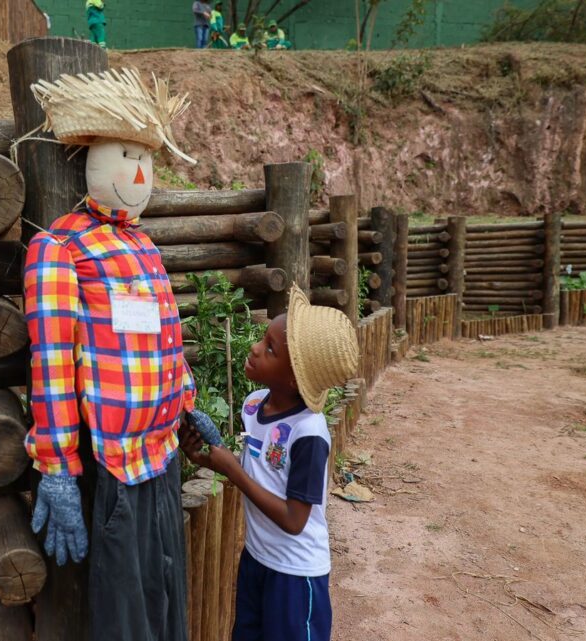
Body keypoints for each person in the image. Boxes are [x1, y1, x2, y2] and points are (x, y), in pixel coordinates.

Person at [24, 68, 198, 641]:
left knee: (168, 595)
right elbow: (49, 364)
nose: (142, 174)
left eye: (148, 158)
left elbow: (165, 338)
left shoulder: (143, 247)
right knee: (123, 618)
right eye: (127, 155)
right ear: (94, 159)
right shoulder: (59, 248)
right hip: (112, 469)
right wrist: (58, 470)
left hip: (163, 455)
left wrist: (187, 402)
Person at [179, 286, 360, 641]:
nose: (256, 349)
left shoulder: (309, 434)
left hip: (296, 575)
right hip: (257, 561)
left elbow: (295, 520)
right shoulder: (254, 405)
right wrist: (206, 459)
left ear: (294, 378)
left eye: (270, 349)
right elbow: (259, 472)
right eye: (264, 339)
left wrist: (231, 469)